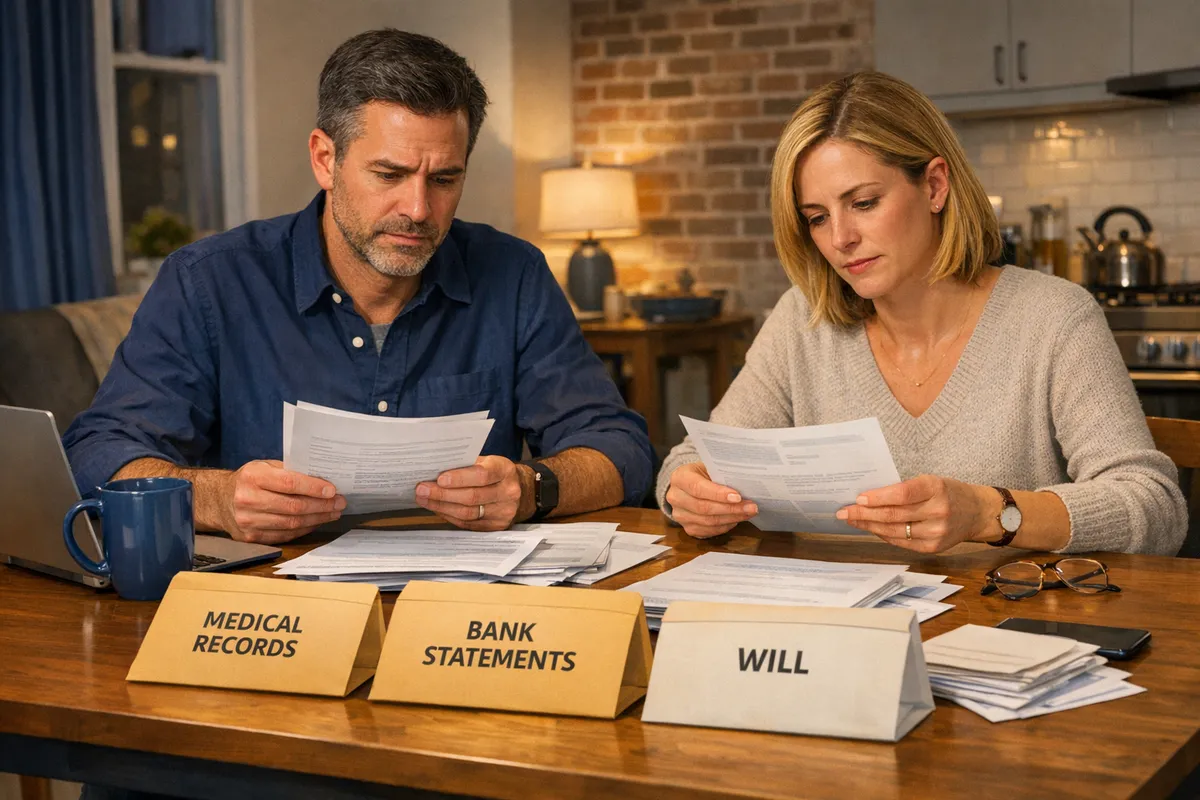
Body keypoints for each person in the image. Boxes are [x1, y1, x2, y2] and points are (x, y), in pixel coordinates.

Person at [63, 29, 652, 544]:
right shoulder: (208, 281)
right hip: (271, 614)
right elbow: (99, 453)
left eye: (444, 179)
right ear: (325, 158)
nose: (419, 209)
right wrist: (213, 498)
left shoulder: (515, 274)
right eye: (389, 175)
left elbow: (620, 450)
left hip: (461, 610)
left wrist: (532, 487)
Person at [659, 71, 1186, 556]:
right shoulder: (804, 319)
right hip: (840, 635)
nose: (840, 238)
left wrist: (988, 512)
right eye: (817, 218)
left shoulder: (1053, 318)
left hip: (1004, 632)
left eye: (863, 203)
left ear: (934, 186)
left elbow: (1154, 508)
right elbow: (687, 464)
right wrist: (689, 492)